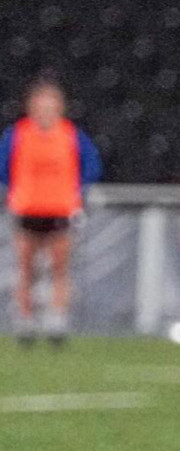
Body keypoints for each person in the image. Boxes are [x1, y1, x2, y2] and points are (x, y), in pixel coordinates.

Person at [0, 79, 102, 347]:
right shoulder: (17, 134)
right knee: (25, 268)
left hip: (59, 210)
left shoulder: (71, 135)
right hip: (26, 209)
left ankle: (57, 320)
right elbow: (4, 167)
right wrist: (14, 193)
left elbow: (91, 166)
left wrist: (76, 194)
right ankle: (25, 320)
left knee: (59, 268)